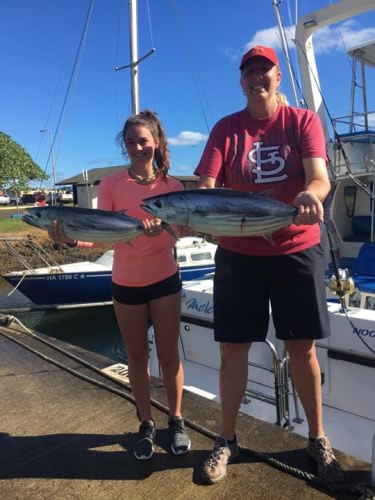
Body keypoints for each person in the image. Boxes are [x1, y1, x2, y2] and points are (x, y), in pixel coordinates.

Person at [194, 46, 344, 484]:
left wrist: (310, 197)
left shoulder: (302, 121)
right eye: (249, 72)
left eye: (264, 70)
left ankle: (316, 438)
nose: (256, 77)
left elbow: (319, 175)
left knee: (302, 348)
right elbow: (207, 184)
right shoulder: (226, 128)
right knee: (233, 349)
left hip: (296, 249)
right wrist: (194, 209)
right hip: (239, 254)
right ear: (241, 82)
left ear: (278, 77)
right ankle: (226, 439)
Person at [48, 110, 191, 460]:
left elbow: (177, 236)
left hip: (164, 282)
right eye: (130, 142)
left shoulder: (173, 188)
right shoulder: (111, 184)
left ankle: (176, 420)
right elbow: (101, 235)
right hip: (125, 283)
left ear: (156, 142)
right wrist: (70, 241)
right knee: (137, 357)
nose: (137, 147)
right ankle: (146, 423)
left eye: (143, 141)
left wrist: (160, 235)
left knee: (170, 356)